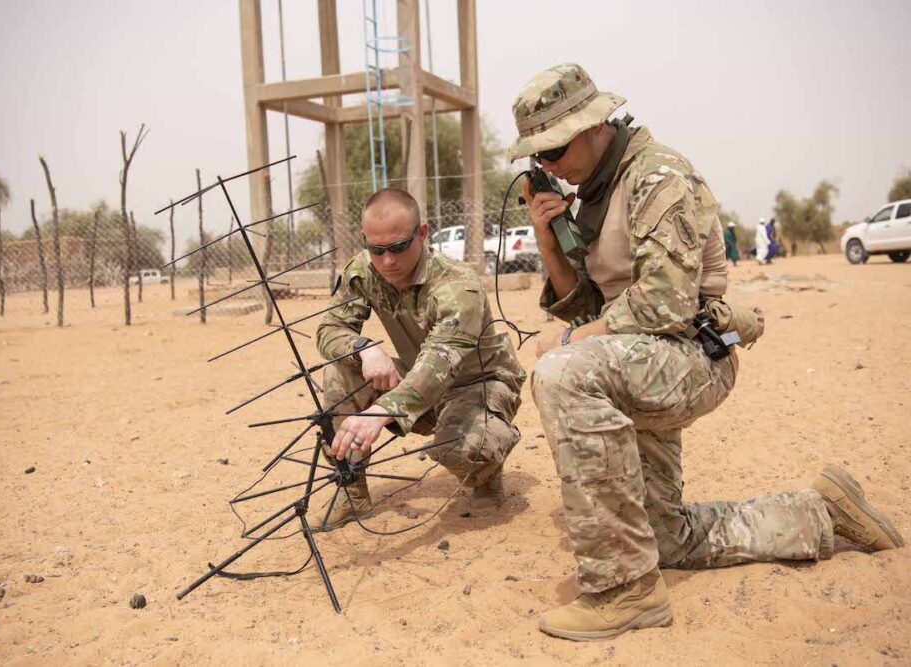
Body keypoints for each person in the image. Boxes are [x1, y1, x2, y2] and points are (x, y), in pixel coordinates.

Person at [510, 62, 903, 641]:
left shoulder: (656, 175)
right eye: (537, 158)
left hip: (688, 358)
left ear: (595, 127)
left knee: (564, 373)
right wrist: (548, 237)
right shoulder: (594, 189)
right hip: (635, 360)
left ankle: (625, 591)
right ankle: (819, 513)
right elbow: (587, 305)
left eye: (554, 149)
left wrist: (568, 342)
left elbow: (663, 306)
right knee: (662, 539)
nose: (548, 166)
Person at [313, 188, 527, 529]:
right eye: (376, 249)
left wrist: (382, 411)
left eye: (398, 247)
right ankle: (351, 490)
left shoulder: (458, 284)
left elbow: (441, 363)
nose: (387, 261)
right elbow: (329, 328)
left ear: (422, 234)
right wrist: (364, 348)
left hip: (477, 384)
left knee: (463, 449)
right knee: (341, 371)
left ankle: (487, 466)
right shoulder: (363, 271)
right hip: (418, 379)